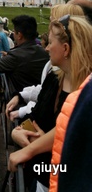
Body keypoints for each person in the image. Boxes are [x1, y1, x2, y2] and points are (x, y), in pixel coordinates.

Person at [6, 16, 92, 192]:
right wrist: (17, 132)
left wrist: (33, 148)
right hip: (43, 173)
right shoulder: (53, 80)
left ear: (65, 48)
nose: (46, 48)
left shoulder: (87, 93)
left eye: (50, 42)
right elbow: (35, 116)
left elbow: (69, 135)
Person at [0, 15, 48, 103]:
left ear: (19, 35)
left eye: (14, 32)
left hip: (19, 104)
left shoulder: (15, 56)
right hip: (40, 102)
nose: (13, 34)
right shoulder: (44, 52)